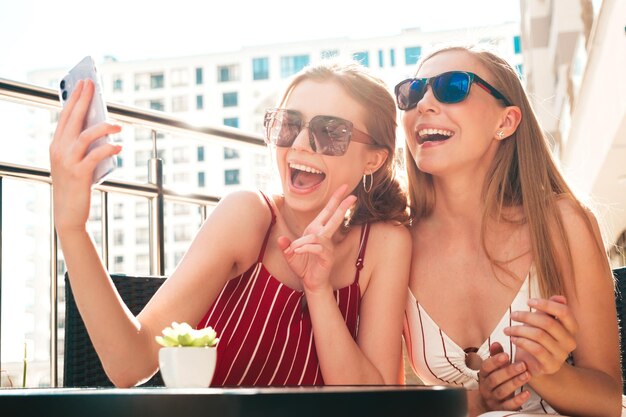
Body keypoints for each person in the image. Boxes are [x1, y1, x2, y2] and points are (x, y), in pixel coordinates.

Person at [49, 61, 411, 387]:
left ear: (374, 160)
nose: (300, 144)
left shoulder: (384, 243)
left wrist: (318, 293)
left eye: (331, 132)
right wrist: (72, 227)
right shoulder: (247, 215)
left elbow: (376, 401)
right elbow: (129, 363)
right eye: (289, 125)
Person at [399, 45, 623, 416]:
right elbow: (380, 398)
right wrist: (476, 402)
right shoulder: (395, 243)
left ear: (505, 122)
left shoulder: (562, 223)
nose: (423, 104)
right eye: (411, 92)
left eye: (452, 87)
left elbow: (609, 400)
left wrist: (548, 374)